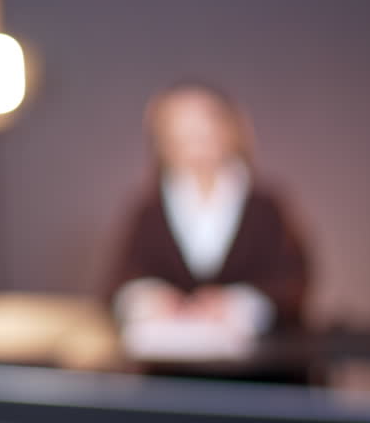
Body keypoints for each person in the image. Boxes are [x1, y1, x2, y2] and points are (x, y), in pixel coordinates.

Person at [106, 81, 311, 363]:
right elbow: (119, 281)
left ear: (231, 129)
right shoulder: (148, 209)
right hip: (165, 370)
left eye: (204, 124)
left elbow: (292, 283)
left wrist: (233, 304)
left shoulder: (266, 208)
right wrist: (155, 300)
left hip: (256, 372)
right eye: (179, 128)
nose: (194, 137)